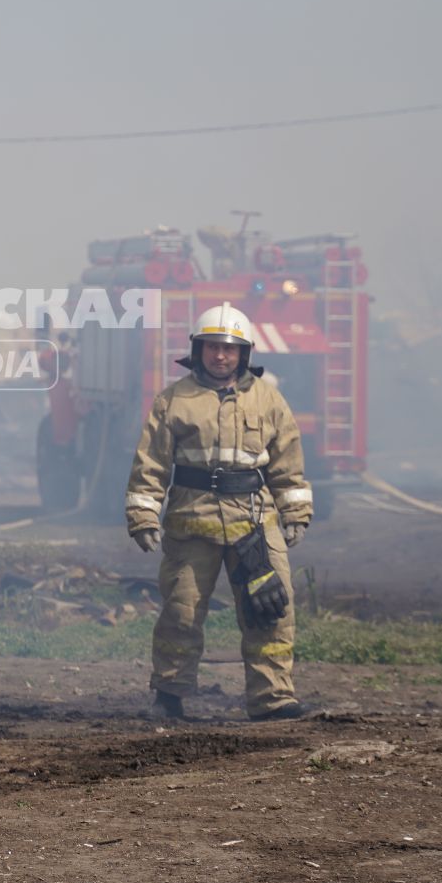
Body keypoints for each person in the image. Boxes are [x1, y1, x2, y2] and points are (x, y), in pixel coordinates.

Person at [124, 303, 315, 721]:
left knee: (270, 608)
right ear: (198, 350)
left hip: (254, 524)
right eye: (212, 347)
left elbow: (288, 462)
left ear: (243, 354)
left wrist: (295, 512)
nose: (221, 356)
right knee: (181, 610)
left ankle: (273, 698)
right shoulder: (173, 401)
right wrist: (143, 516)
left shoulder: (268, 400)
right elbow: (150, 464)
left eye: (229, 349)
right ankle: (169, 695)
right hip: (192, 523)